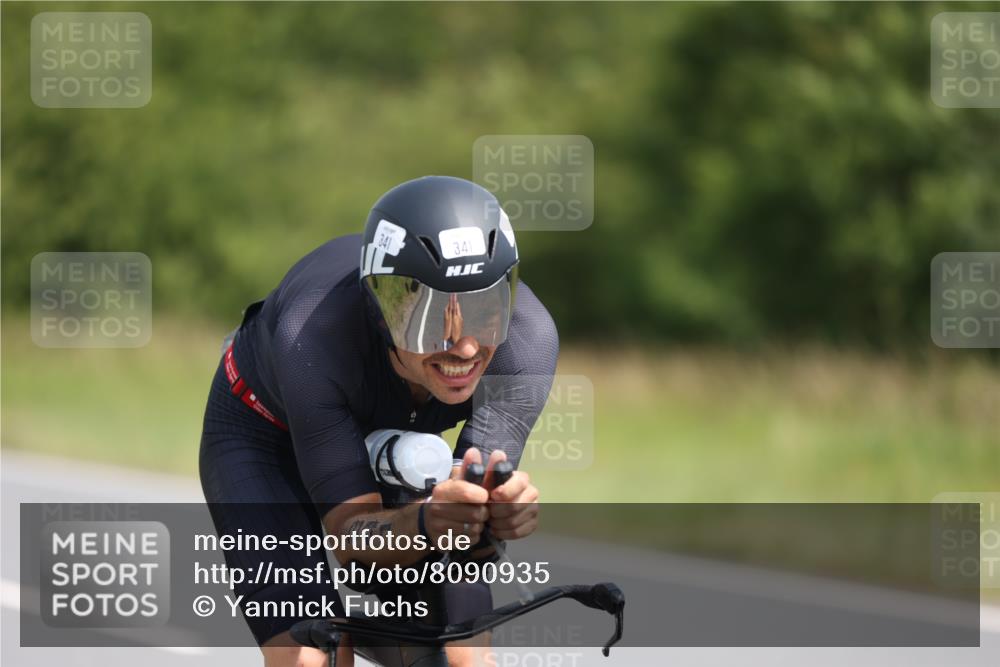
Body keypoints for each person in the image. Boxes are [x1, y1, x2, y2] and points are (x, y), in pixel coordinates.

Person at [199, 176, 557, 667]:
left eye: (484, 311)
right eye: (432, 319)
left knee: (466, 658)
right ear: (381, 307)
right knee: (311, 657)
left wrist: (491, 519)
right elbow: (350, 538)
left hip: (393, 444)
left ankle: (387, 635)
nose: (466, 347)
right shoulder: (312, 336)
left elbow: (465, 527)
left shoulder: (526, 344)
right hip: (264, 436)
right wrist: (429, 522)